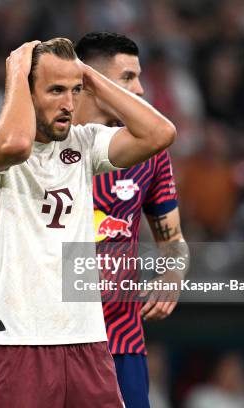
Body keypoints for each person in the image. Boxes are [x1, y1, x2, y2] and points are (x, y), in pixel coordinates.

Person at [0, 37, 176, 407]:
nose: (69, 104)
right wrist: (17, 71)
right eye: (55, 90)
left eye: (74, 91)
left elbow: (160, 134)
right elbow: (14, 145)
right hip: (16, 340)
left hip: (88, 341)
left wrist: (87, 74)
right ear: (23, 89)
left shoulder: (83, 144)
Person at [75, 32, 189, 408]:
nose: (139, 89)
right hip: (51, 336)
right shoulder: (46, 147)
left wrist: (173, 273)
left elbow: (172, 240)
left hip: (122, 339)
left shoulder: (150, 154)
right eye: (126, 77)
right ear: (91, 80)